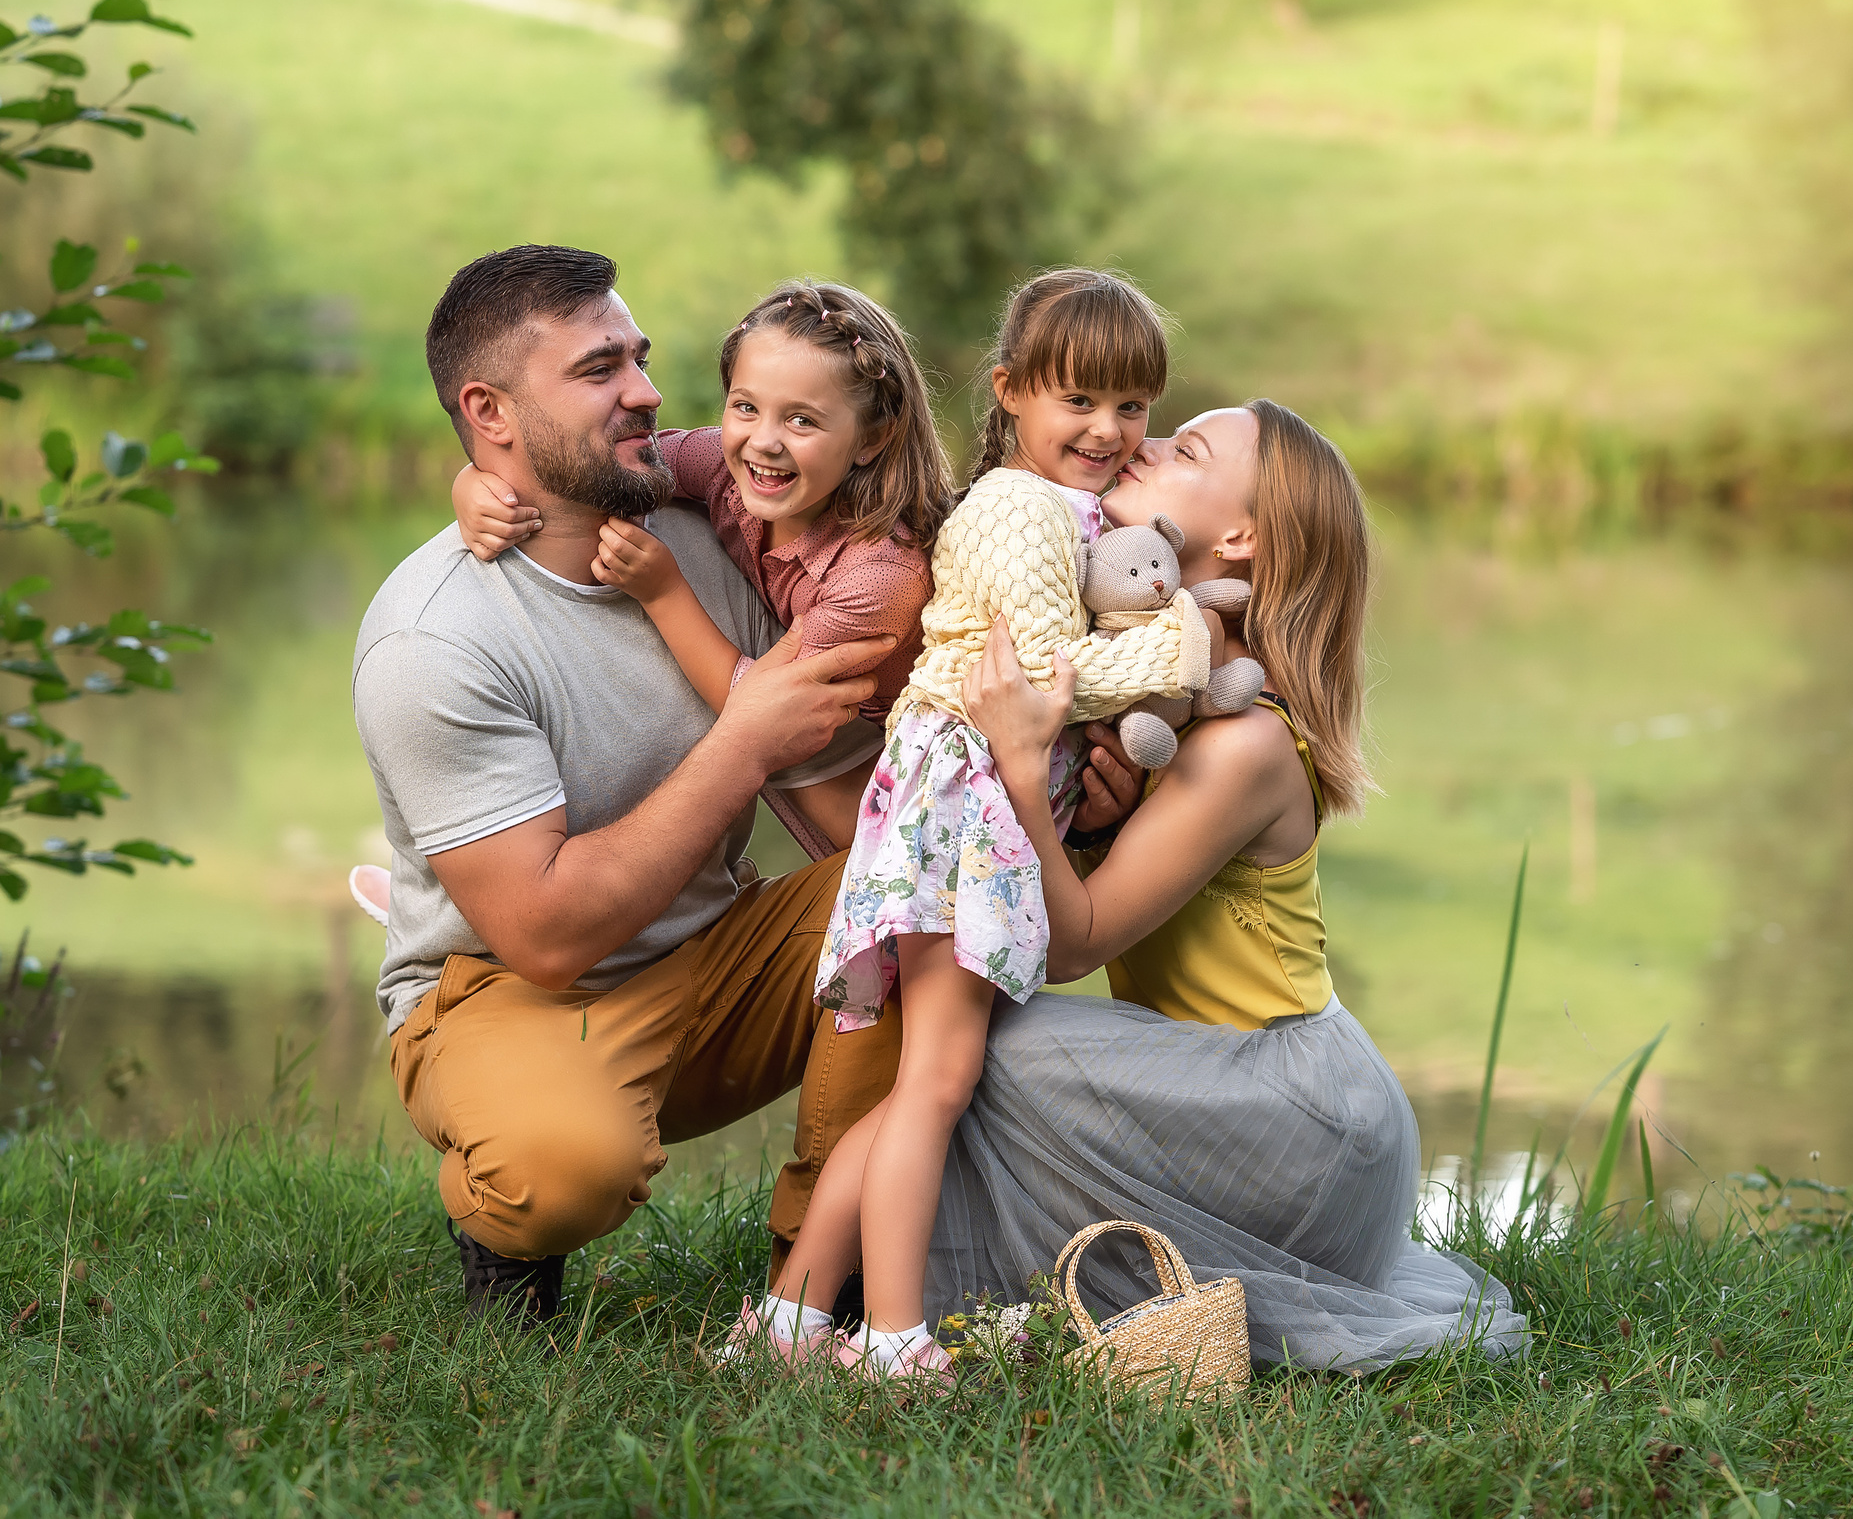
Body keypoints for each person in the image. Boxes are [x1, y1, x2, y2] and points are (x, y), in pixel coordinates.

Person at [350, 245, 904, 1325]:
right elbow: (546, 937)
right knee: (560, 1168)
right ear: (490, 412)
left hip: (714, 960)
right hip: (507, 993)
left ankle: (823, 1268)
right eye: (602, 369)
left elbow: (853, 822)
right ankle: (507, 1234)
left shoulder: (712, 543)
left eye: (640, 359)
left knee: (920, 896)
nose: (648, 391)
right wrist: (744, 738)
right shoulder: (434, 639)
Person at [943, 399, 1529, 1371]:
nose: (1147, 442)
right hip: (1226, 1086)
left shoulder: (1244, 741)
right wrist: (1091, 818)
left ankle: (951, 1293)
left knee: (990, 1041)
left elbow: (1078, 939)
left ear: (1240, 536)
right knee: (963, 1018)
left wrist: (1018, 762)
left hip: (1299, 1122)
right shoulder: (1173, 702)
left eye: (1187, 448)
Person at [749, 269, 1215, 1383]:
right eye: (1079, 401)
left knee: (928, 1077)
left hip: (969, 806)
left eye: (1132, 407)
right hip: (963, 804)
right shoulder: (1015, 509)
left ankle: (789, 1320)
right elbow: (1042, 680)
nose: (1108, 430)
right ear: (1009, 391)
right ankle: (895, 1335)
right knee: (939, 1084)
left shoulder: (1064, 510)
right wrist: (1184, 649)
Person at [440, 279, 953, 859]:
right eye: (745, 407)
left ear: (872, 438)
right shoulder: (724, 470)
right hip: (853, 801)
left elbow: (767, 716)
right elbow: (616, 467)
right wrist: (474, 480)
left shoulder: (880, 576)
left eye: (803, 421)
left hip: (935, 811)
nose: (764, 442)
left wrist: (664, 593)